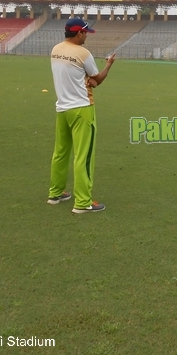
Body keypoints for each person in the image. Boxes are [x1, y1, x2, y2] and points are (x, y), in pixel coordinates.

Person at [48, 17, 115, 214]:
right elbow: (97, 80)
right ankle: (83, 202)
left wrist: (87, 79)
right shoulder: (83, 54)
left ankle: (55, 193)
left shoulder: (55, 50)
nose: (86, 36)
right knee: (83, 156)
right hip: (82, 109)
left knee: (60, 153)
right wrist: (109, 65)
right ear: (79, 33)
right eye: (85, 33)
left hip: (62, 108)